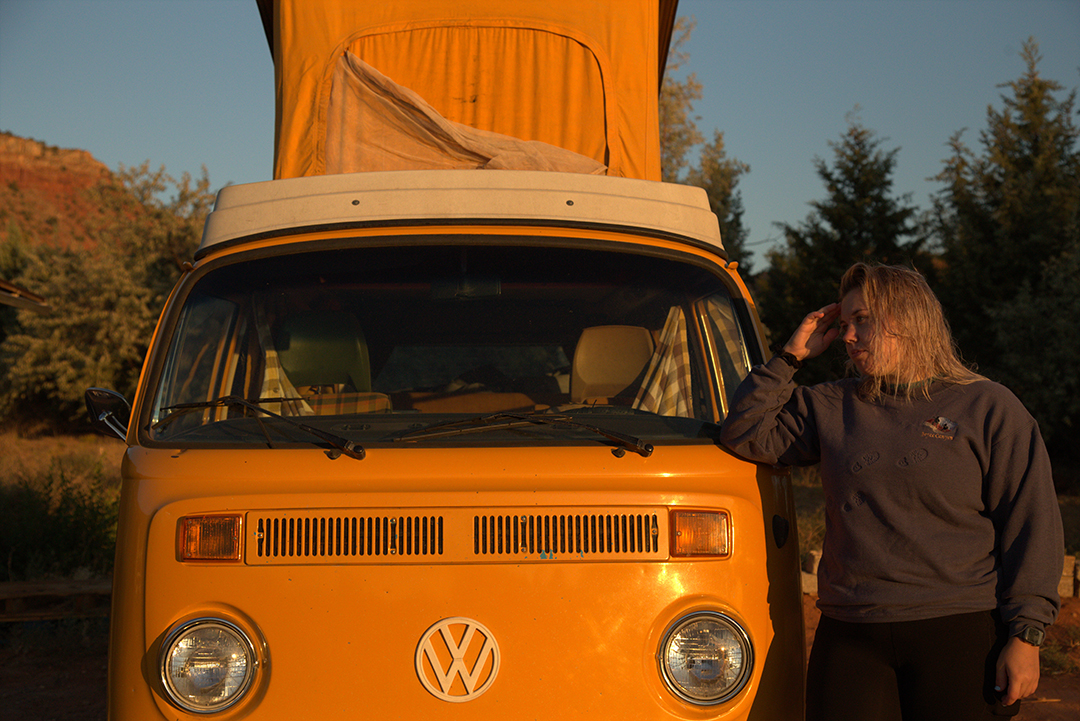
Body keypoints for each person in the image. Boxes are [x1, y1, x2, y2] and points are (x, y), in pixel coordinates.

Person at [720, 262, 1063, 721]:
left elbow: (1032, 523)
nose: (847, 336)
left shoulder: (987, 406)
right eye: (843, 324)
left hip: (958, 629)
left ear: (909, 318)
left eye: (863, 319)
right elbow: (742, 433)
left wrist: (1026, 636)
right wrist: (790, 356)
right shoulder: (831, 404)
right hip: (851, 632)